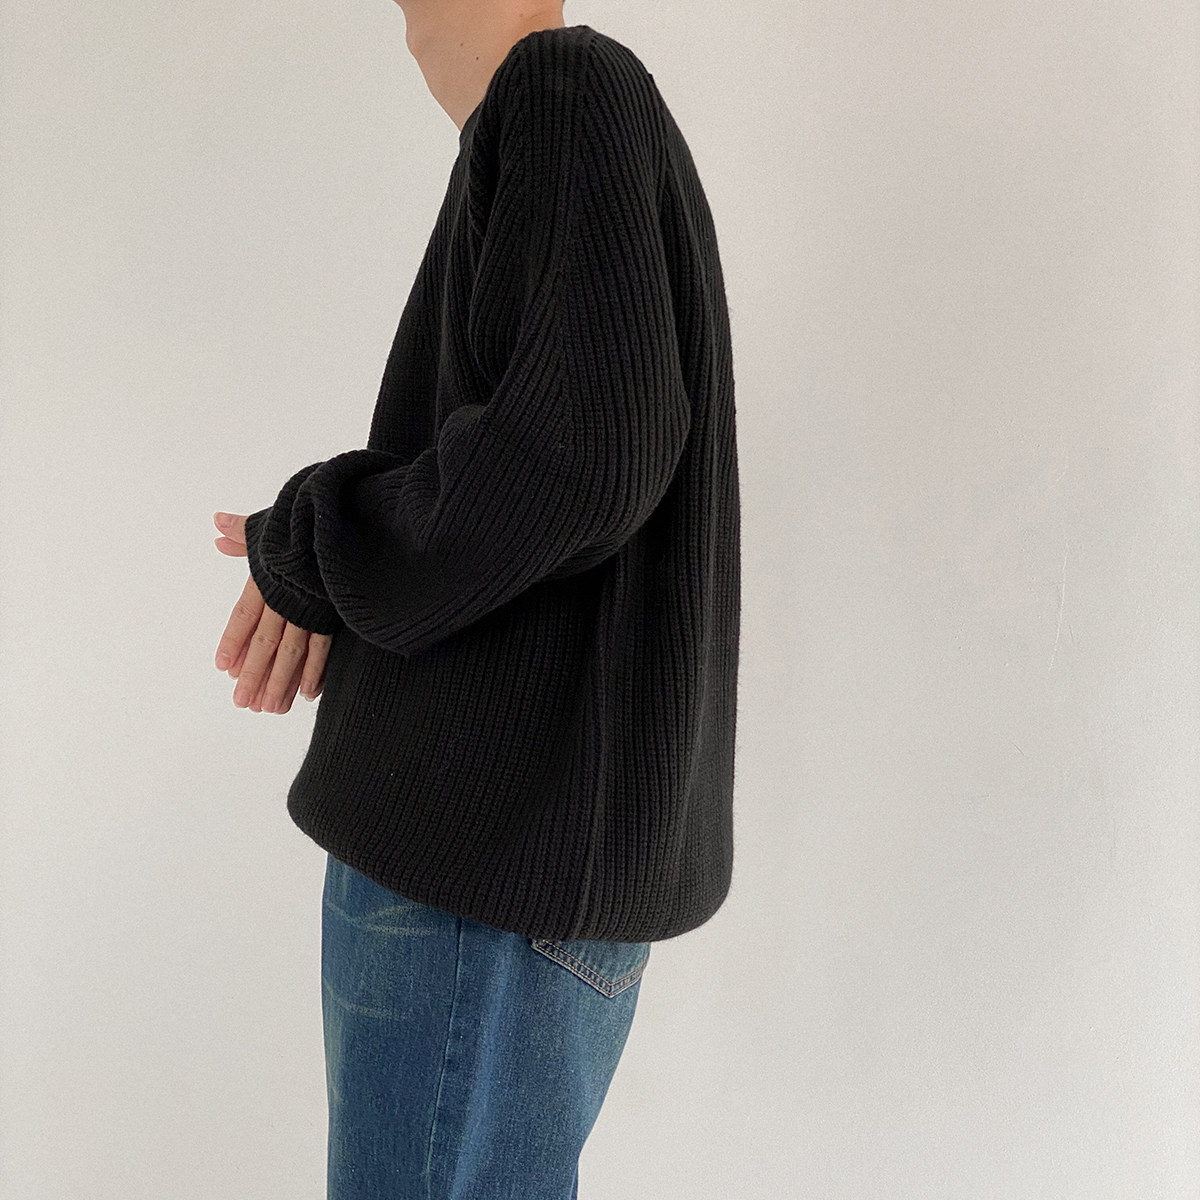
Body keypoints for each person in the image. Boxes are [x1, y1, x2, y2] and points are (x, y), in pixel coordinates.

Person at [211, 1, 739, 1196]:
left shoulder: (563, 90)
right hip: (505, 874)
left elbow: (582, 454)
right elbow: (575, 450)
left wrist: (321, 540)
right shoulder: (565, 112)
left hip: (479, 871)